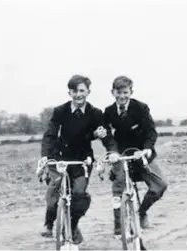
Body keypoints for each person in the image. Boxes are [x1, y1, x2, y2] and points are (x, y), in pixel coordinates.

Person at [37, 74, 116, 245]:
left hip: (81, 161)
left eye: (82, 90)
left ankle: (72, 226)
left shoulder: (95, 113)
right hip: (60, 159)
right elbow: (50, 134)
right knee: (53, 190)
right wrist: (45, 155)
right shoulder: (60, 111)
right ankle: (49, 223)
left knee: (79, 196)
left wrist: (111, 150)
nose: (78, 94)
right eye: (74, 91)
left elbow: (105, 135)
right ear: (69, 93)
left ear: (88, 92)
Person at [101, 75, 168, 237]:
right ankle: (118, 226)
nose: (122, 96)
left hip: (141, 153)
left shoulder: (141, 108)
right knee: (118, 188)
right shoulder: (108, 112)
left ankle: (142, 212)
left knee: (160, 186)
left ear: (131, 92)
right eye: (118, 93)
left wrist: (146, 149)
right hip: (120, 155)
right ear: (112, 92)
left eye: (125, 92)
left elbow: (151, 132)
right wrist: (113, 152)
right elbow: (107, 136)